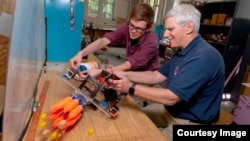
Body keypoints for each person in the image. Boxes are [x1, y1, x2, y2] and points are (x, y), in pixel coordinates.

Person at [109, 4, 225, 141]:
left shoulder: (203, 57)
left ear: (189, 27)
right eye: (165, 29)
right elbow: (156, 75)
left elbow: (171, 97)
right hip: (169, 111)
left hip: (187, 122)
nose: (165, 34)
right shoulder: (183, 51)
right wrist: (125, 74)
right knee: (129, 117)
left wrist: (130, 87)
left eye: (170, 29)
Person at [70, 3, 160, 74]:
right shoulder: (128, 26)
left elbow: (129, 64)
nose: (133, 30)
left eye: (139, 28)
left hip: (146, 77)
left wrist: (102, 72)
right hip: (130, 71)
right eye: (132, 25)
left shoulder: (152, 42)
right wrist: (81, 54)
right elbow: (103, 41)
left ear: (148, 28)